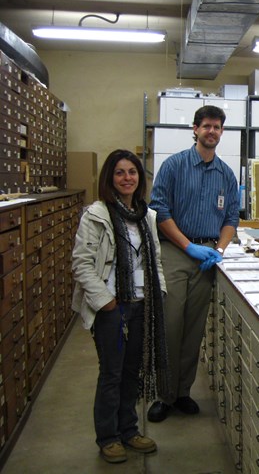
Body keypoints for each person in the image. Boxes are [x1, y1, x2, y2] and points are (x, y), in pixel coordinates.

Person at [71, 149, 169, 464]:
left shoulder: (147, 216)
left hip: (143, 304)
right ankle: (108, 437)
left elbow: (154, 260)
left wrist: (160, 292)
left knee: (132, 372)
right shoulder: (96, 214)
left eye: (132, 172)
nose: (127, 178)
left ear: (140, 178)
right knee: (111, 374)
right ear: (109, 178)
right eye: (120, 173)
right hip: (113, 309)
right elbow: (82, 264)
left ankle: (129, 430)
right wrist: (107, 302)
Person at [147, 105, 239, 423]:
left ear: (222, 132)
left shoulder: (226, 174)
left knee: (193, 328)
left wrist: (220, 250)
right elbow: (159, 211)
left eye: (217, 127)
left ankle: (182, 392)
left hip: (207, 257)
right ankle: (163, 395)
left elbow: (230, 220)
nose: (211, 131)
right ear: (195, 129)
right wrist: (188, 247)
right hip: (175, 250)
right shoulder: (173, 166)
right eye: (206, 126)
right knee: (170, 325)